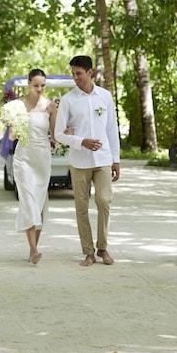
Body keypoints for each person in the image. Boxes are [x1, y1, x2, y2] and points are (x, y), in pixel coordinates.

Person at [54, 55, 121, 267]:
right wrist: (82, 141)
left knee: (104, 200)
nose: (75, 78)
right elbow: (59, 134)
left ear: (90, 72)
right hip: (79, 161)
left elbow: (111, 129)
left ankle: (103, 247)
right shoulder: (68, 100)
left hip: (102, 159)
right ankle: (88, 252)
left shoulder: (105, 96)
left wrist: (116, 160)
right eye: (73, 74)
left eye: (79, 74)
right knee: (81, 207)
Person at [1, 68, 58, 264]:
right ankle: (33, 250)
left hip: (42, 157)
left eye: (43, 85)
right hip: (23, 157)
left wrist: (69, 130)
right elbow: (11, 136)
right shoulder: (18, 106)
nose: (40, 89)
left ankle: (33, 248)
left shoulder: (50, 106)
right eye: (36, 85)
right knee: (28, 200)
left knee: (40, 202)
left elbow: (55, 135)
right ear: (28, 84)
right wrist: (14, 122)